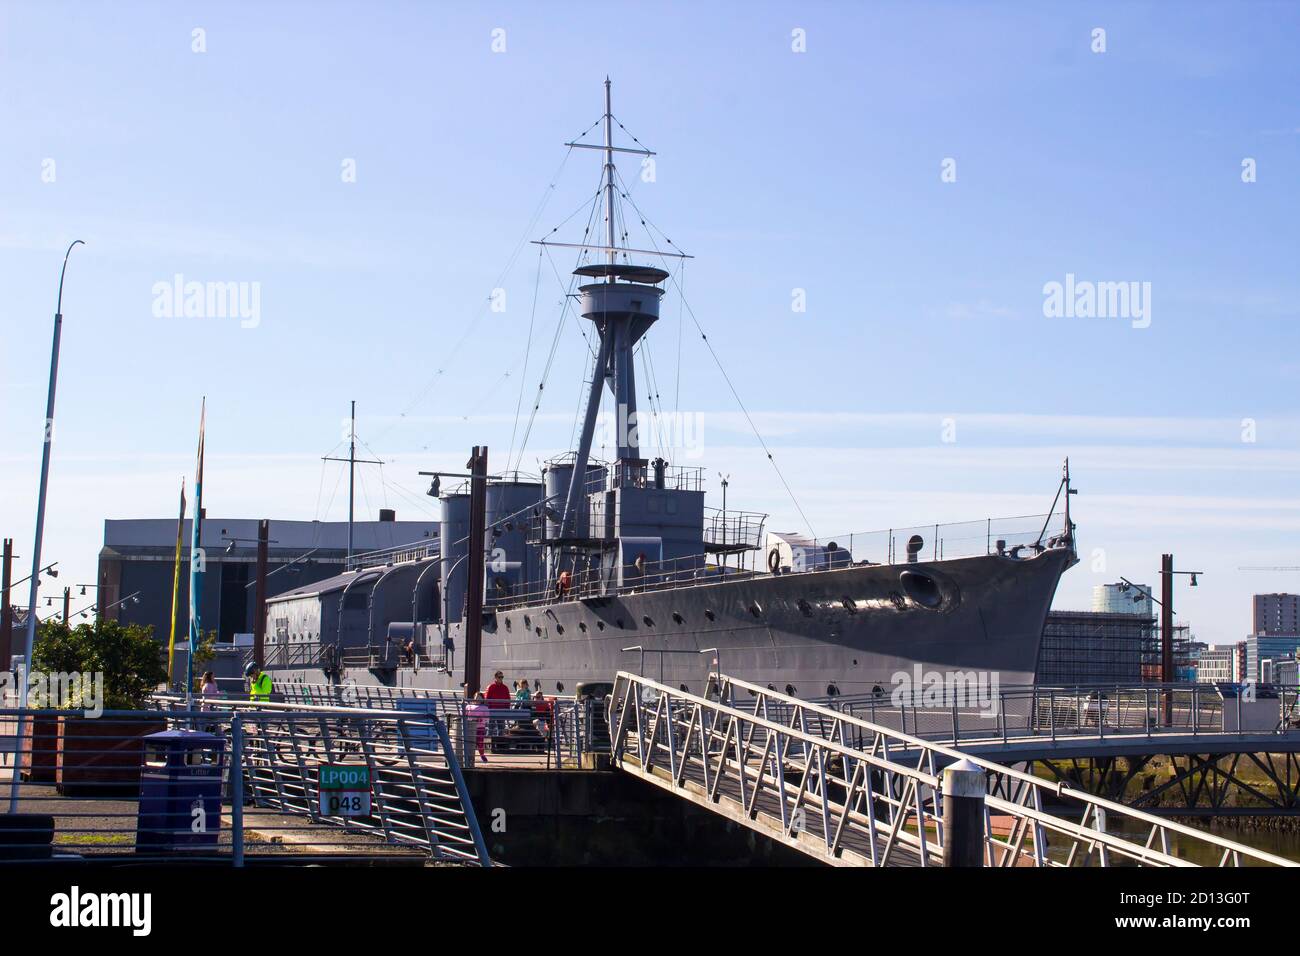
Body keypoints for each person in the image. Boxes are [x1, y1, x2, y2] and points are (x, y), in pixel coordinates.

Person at [484, 671, 511, 739]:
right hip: (492, 711)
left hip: (502, 711)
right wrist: (487, 711)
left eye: (502, 677)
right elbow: (486, 699)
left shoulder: (505, 688)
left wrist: (507, 710)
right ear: (495, 677)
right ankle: (488, 746)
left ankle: (499, 746)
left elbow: (508, 700)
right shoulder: (490, 687)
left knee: (501, 729)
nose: (501, 678)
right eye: (499, 677)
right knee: (490, 728)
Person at [465, 691, 490, 762]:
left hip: (480, 727)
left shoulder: (485, 708)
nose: (478, 699)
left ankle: (482, 755)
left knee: (480, 742)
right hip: (470, 727)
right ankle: (469, 757)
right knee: (469, 742)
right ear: (474, 698)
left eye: (479, 698)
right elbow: (464, 715)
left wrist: (481, 719)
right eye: (476, 697)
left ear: (482, 699)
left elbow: (487, 718)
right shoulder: (468, 706)